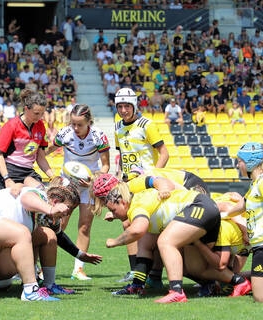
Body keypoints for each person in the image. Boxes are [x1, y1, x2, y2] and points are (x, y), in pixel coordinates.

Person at [91, 175, 221, 303]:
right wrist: (117, 215)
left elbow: (136, 229)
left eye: (105, 199)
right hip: (201, 206)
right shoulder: (134, 199)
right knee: (191, 268)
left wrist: (114, 241)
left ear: (119, 197)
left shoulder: (135, 193)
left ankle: (176, 291)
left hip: (195, 203)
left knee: (165, 242)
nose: (104, 203)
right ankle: (236, 281)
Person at [0, 183, 73, 301]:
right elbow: (26, 198)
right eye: (68, 208)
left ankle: (49, 285)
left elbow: (55, 234)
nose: (67, 213)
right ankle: (30, 291)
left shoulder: (39, 213)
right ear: (56, 202)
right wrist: (51, 209)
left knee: (46, 235)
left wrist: (80, 254)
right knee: (22, 233)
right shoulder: (41, 196)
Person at [47, 104, 110, 280]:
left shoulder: (99, 136)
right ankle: (44, 266)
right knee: (58, 225)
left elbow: (105, 165)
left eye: (79, 124)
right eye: (73, 124)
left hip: (88, 186)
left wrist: (94, 179)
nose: (75, 128)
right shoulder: (64, 134)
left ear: (88, 121)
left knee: (84, 226)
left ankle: (79, 269)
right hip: (67, 185)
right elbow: (46, 151)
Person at [114, 88, 169, 282]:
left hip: (148, 183)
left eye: (127, 106)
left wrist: (153, 175)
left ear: (134, 105)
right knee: (127, 223)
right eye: (119, 106)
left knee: (151, 228)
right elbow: (122, 155)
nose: (123, 110)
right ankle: (135, 271)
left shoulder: (147, 125)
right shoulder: (117, 126)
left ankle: (154, 275)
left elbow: (164, 154)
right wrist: (120, 177)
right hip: (129, 182)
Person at [0, 89, 54, 192]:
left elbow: (40, 157)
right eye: (36, 113)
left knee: (39, 193)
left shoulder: (41, 126)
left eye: (42, 113)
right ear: (26, 109)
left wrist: (53, 177)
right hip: (10, 171)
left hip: (28, 172)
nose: (40, 117)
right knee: (17, 196)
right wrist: (7, 179)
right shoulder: (11, 125)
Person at [227, 142, 263, 302]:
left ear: (250, 162)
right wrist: (222, 213)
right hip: (258, 246)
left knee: (259, 298)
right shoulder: (254, 185)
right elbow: (241, 205)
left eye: (240, 160)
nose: (237, 164)